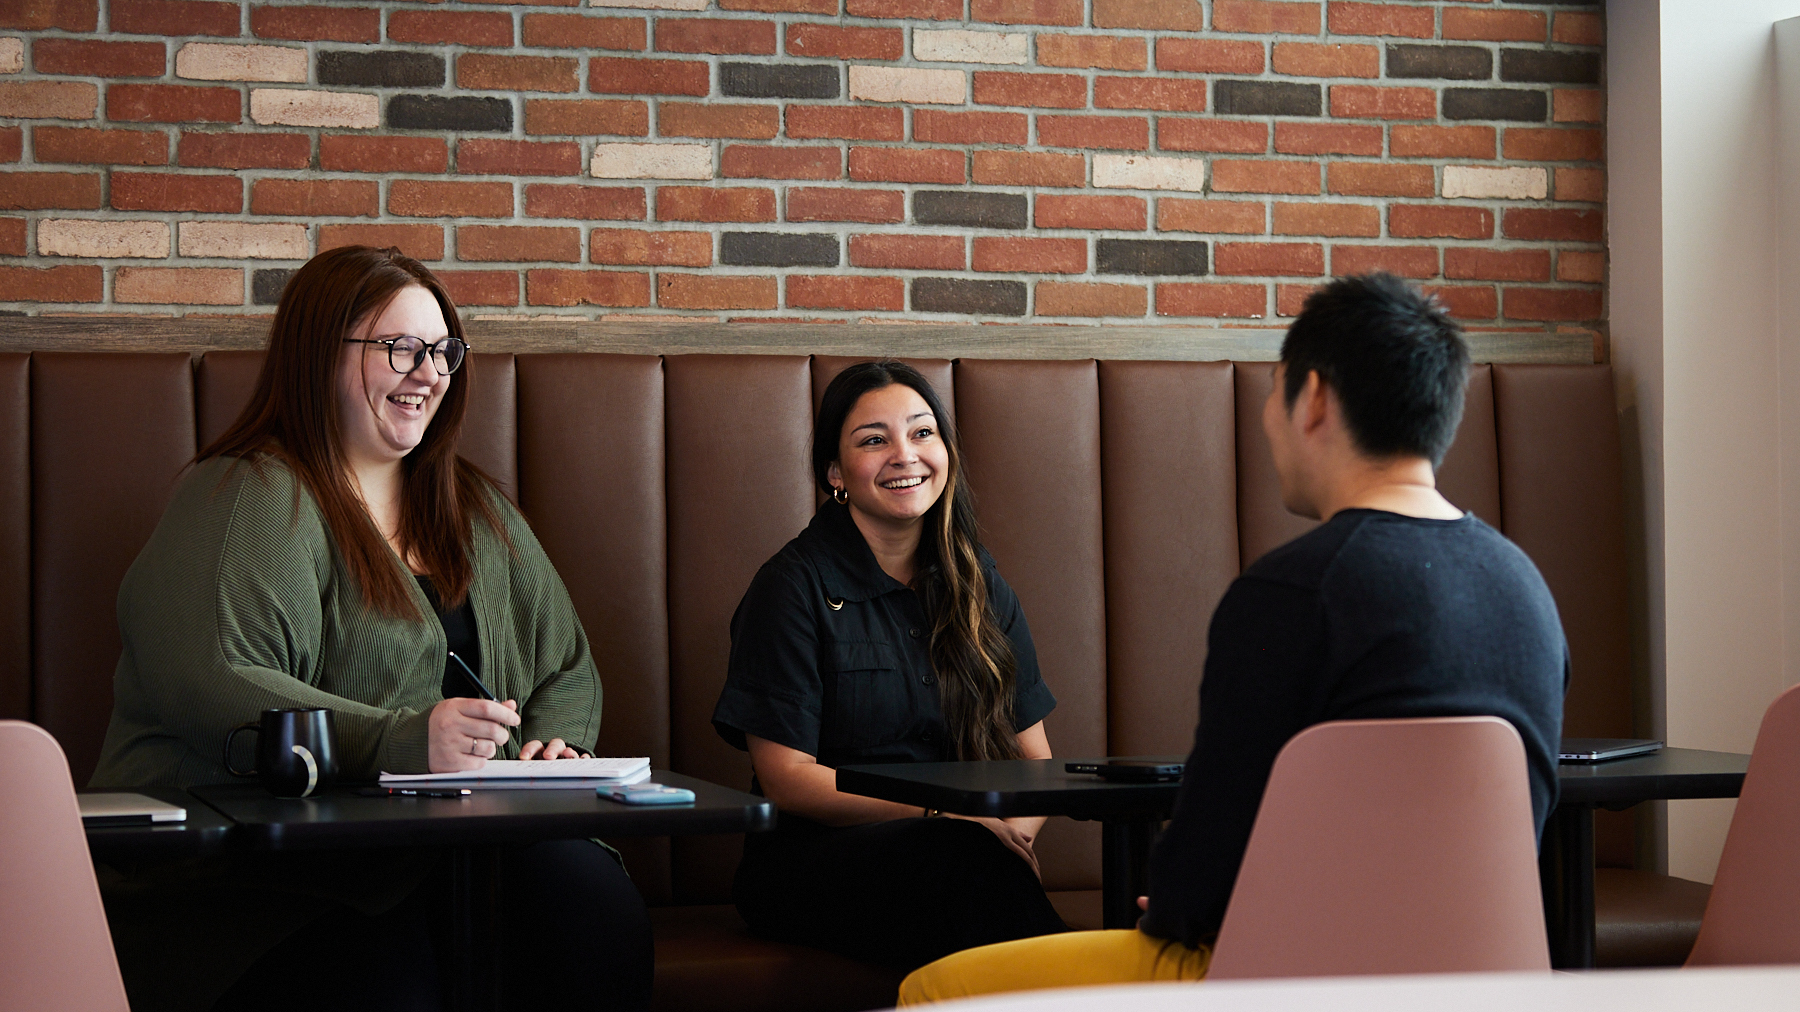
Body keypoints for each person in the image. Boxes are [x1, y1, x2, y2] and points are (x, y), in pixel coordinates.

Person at [897, 273, 1569, 1003]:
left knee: (933, 988)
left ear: (1312, 398)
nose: (1269, 419)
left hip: (1280, 976)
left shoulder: (1293, 590)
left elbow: (1212, 838)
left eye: (1275, 392)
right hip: (1481, 979)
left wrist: (1184, 905)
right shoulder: (1525, 587)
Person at [89, 246, 653, 1012]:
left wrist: (556, 744)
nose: (428, 373)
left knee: (587, 900)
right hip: (265, 879)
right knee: (392, 974)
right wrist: (402, 739)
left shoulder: (475, 509)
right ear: (320, 354)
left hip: (445, 859)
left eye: (442, 351)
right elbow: (215, 681)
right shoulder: (247, 494)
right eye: (400, 348)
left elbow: (567, 666)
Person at [711, 360, 1068, 972]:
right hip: (812, 866)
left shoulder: (978, 581)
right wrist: (951, 821)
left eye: (922, 432)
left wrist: (1010, 836)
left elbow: (1033, 764)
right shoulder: (791, 586)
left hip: (963, 862)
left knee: (965, 876)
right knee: (958, 869)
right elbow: (788, 777)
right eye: (874, 440)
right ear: (834, 473)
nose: (906, 455)